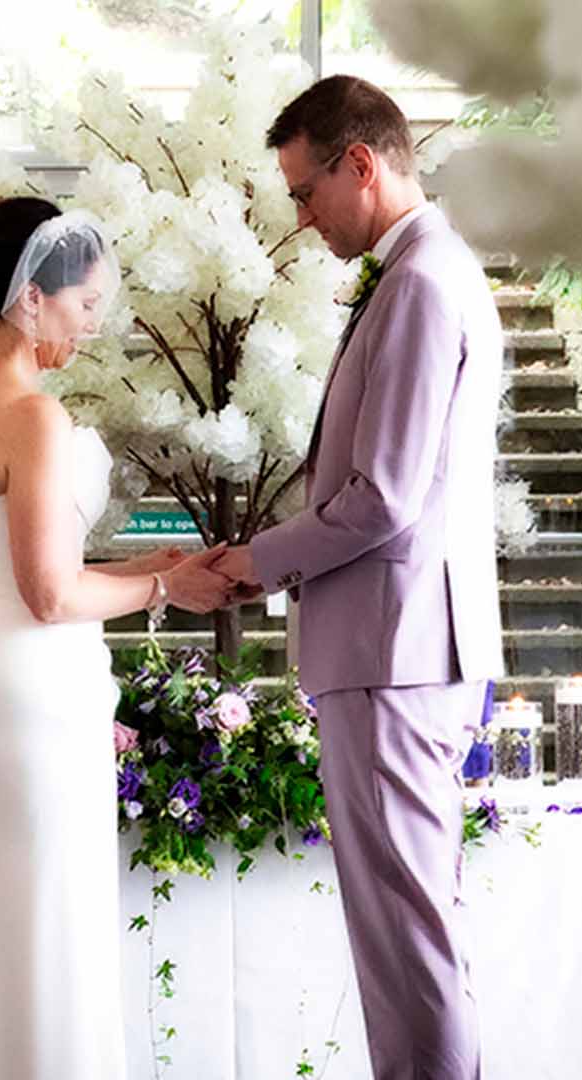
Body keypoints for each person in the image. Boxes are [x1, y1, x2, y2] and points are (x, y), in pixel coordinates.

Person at [211, 76, 505, 1079]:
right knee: (408, 933)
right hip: (400, 646)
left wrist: (258, 561)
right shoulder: (425, 270)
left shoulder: (420, 282)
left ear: (363, 164)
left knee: (408, 940)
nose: (301, 217)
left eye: (304, 192)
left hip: (396, 652)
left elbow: (385, 496)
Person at [0, 196, 232, 1078]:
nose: (95, 323)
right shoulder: (33, 414)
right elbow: (52, 594)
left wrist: (150, 563)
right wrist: (168, 584)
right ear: (32, 297)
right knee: (52, 915)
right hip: (29, 683)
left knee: (8, 914)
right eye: (86, 303)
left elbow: (22, 554)